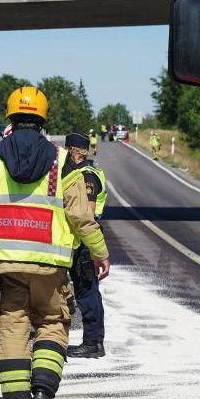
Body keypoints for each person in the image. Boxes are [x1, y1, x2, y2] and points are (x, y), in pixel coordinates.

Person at [0, 86, 110, 399]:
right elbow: (81, 216)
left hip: (4, 265)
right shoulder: (61, 162)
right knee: (53, 323)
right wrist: (99, 252)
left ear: (10, 116)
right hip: (50, 267)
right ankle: (43, 392)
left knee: (12, 327)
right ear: (43, 119)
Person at [65, 133, 108, 358]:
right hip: (81, 240)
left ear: (73, 150)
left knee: (87, 293)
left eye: (67, 149)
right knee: (87, 291)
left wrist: (91, 246)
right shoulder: (83, 173)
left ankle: (92, 342)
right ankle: (94, 342)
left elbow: (88, 212)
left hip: (84, 242)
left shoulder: (86, 176)